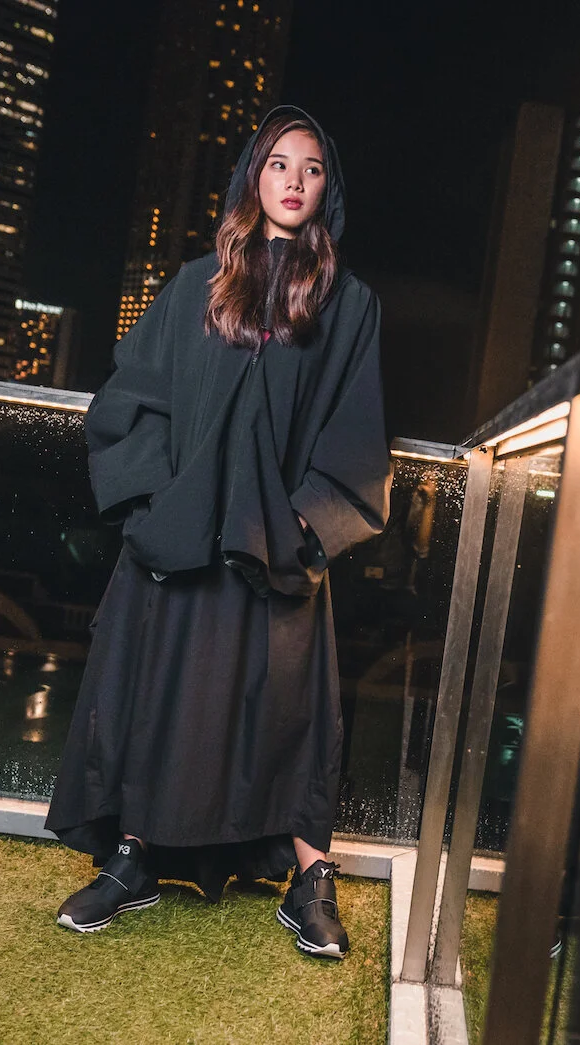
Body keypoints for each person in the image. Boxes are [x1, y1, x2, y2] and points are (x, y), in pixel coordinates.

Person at [44, 105, 391, 962]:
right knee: (156, 693)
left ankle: (311, 880)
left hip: (277, 547)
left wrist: (302, 524)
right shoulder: (198, 284)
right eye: (279, 164)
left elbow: (357, 434)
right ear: (252, 176)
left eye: (312, 168)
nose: (294, 181)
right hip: (180, 541)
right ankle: (134, 857)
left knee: (291, 708)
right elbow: (131, 402)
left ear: (328, 188)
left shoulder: (349, 305)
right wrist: (162, 505)